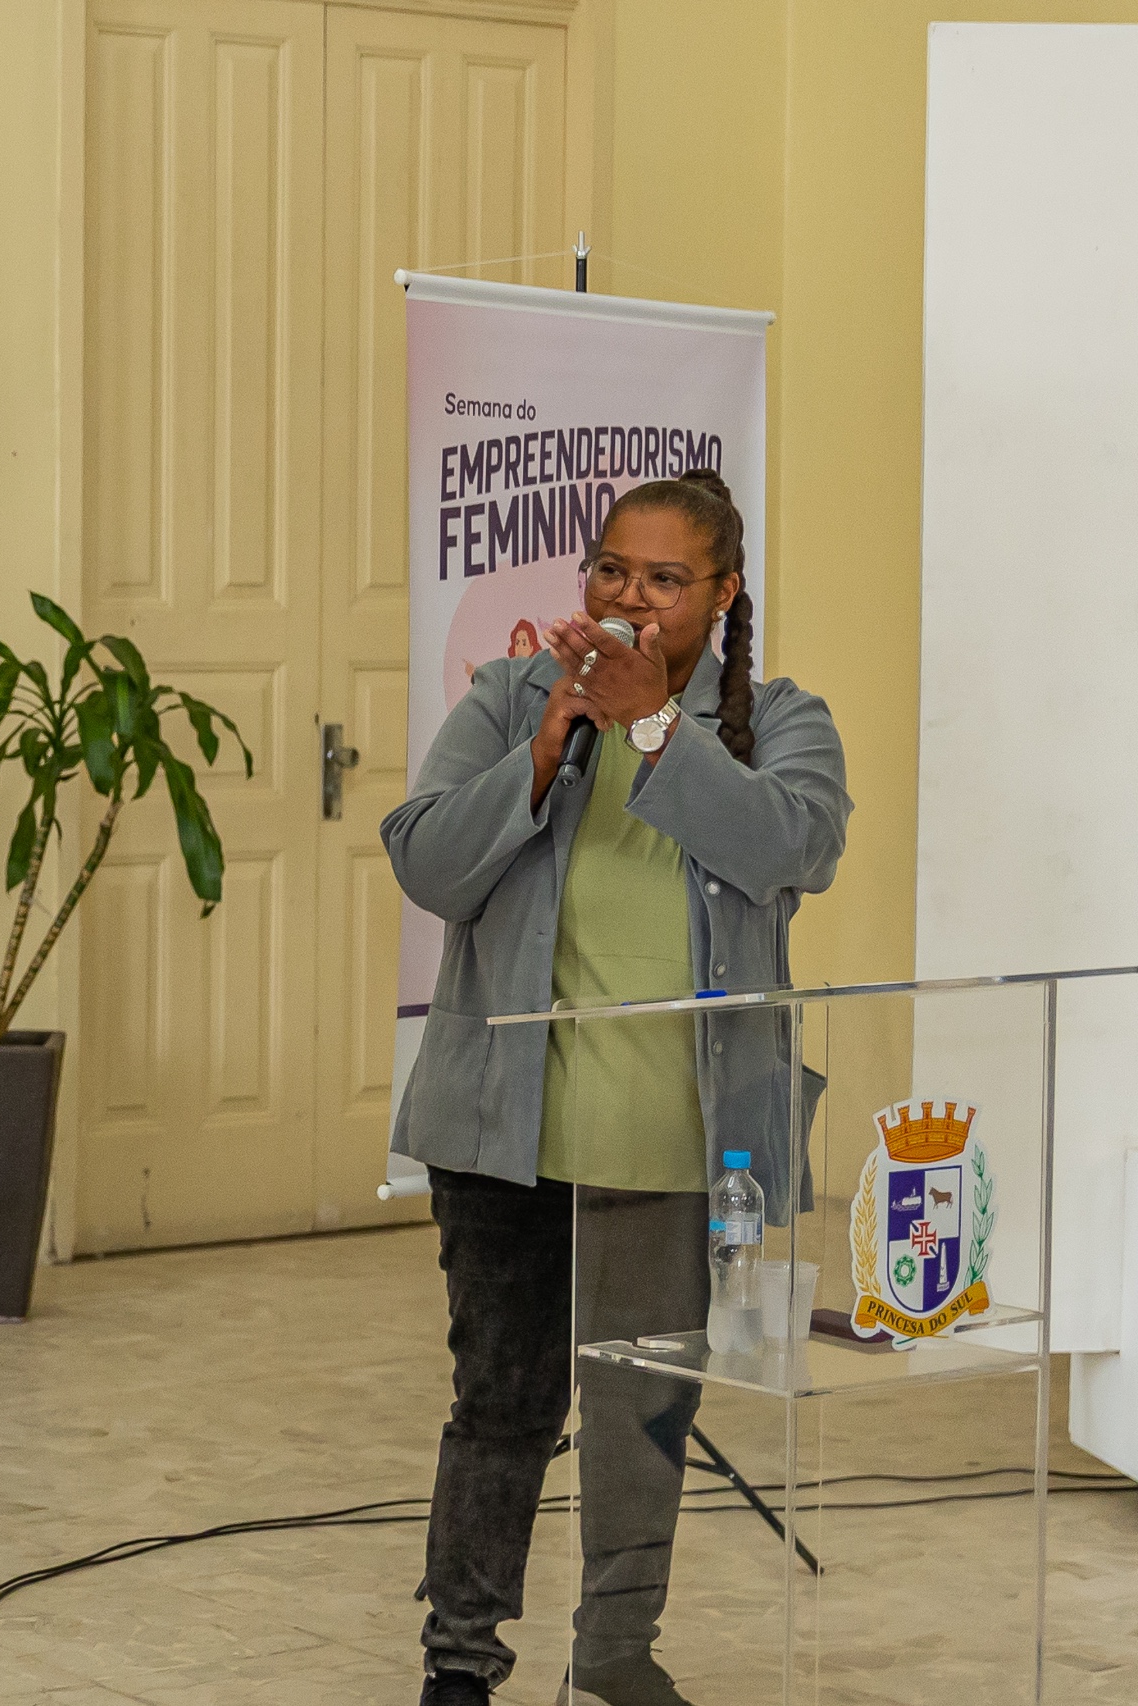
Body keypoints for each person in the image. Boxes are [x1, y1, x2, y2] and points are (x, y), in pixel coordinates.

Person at [382, 470, 851, 1706]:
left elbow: (790, 845)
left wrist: (654, 729)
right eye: (608, 569)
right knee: (501, 1405)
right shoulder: (513, 696)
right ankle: (460, 1662)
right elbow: (426, 863)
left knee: (641, 1416)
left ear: (721, 593)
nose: (626, 596)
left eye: (661, 578)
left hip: (678, 1140)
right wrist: (537, 758)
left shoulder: (781, 719)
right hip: (503, 1130)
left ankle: (614, 1653)